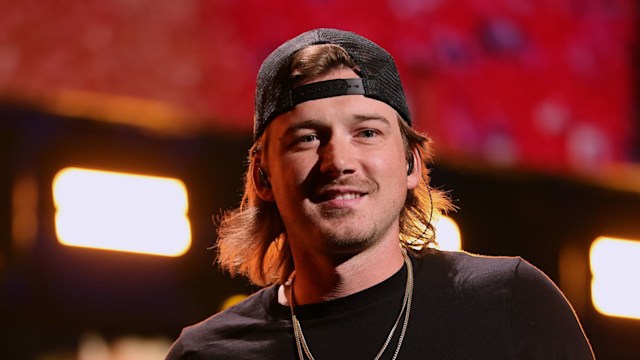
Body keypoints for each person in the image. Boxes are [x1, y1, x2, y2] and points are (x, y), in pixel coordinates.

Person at [166, 28, 594, 359]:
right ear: (262, 177)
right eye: (307, 138)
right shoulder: (206, 353)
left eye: (367, 132)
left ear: (412, 164)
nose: (339, 161)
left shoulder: (511, 305)